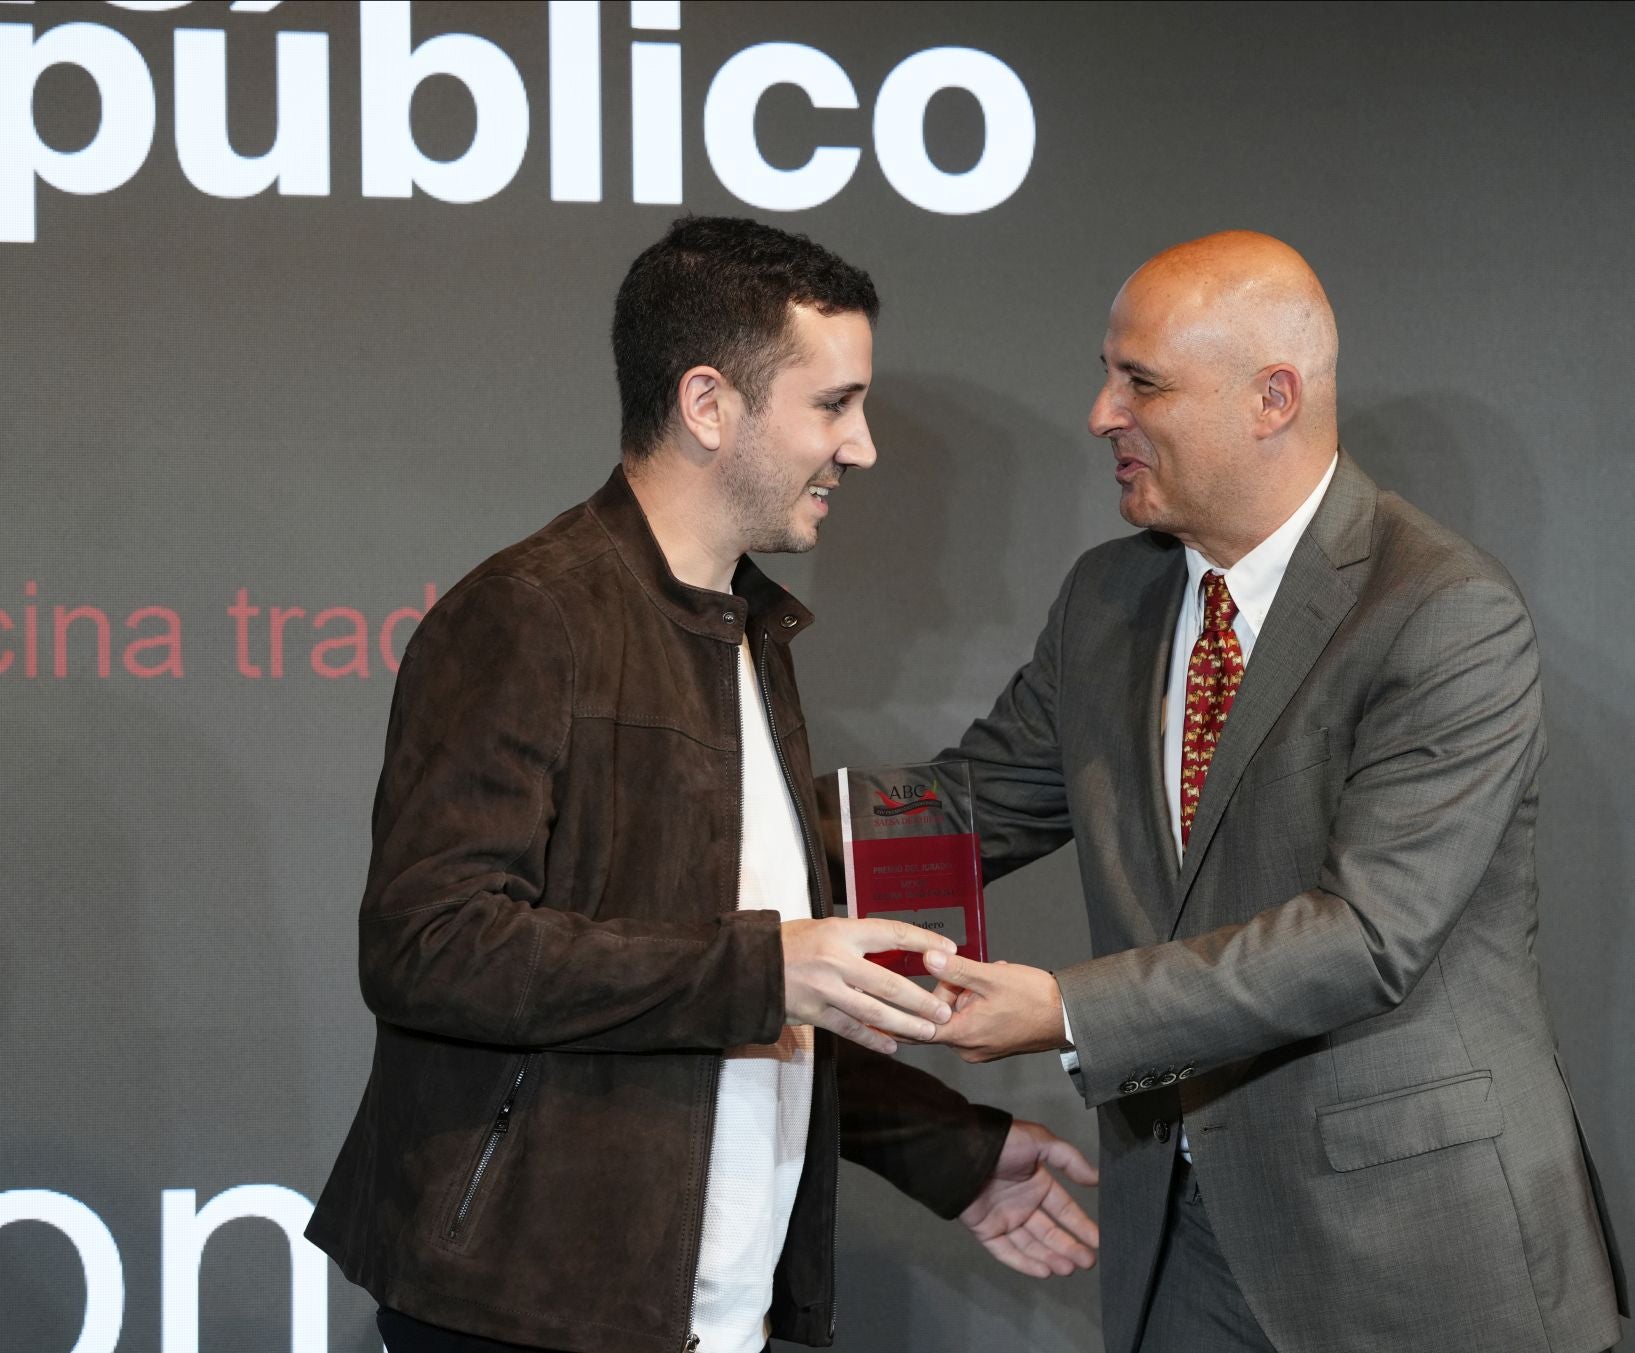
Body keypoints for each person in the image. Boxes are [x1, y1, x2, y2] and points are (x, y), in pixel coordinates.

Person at [305, 216, 1098, 1353]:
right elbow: (430, 943)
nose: (863, 447)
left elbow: (717, 996)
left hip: (719, 1315)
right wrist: (768, 965)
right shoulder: (529, 614)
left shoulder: (745, 633)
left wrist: (952, 1152)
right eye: (834, 404)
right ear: (708, 404)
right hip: (532, 1314)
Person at [917, 231, 1627, 1353]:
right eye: (1108, 376)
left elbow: (1366, 937)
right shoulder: (1107, 599)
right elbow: (964, 810)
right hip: (1178, 1247)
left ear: (1273, 398)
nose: (1101, 414)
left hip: (1412, 1254)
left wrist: (1067, 1012)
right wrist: (731, 811)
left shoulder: (1442, 611)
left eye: (1142, 382)